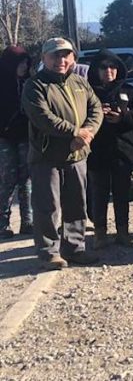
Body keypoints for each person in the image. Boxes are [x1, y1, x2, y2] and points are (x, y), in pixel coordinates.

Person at [22, 38, 103, 269]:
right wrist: (75, 132)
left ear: (73, 58)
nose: (61, 60)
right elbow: (42, 118)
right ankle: (49, 253)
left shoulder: (80, 82)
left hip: (78, 155)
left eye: (66, 55)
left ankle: (75, 248)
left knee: (77, 204)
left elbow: (95, 108)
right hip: (47, 158)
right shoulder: (35, 85)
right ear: (44, 59)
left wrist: (87, 134)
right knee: (48, 206)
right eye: (55, 55)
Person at [85, 50, 133, 248]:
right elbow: (77, 117)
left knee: (122, 193)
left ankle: (123, 232)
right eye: (103, 67)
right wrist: (97, 116)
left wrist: (123, 117)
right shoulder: (87, 92)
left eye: (113, 67)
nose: (108, 71)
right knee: (98, 193)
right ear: (95, 70)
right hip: (96, 151)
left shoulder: (129, 90)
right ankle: (100, 235)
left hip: (123, 150)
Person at [0, 46, 33, 239]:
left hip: (25, 137)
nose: (24, 67)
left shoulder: (29, 83)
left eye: (26, 63)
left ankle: (27, 221)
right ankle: (2, 224)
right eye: (20, 63)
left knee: (26, 179)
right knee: (7, 179)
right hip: (4, 138)